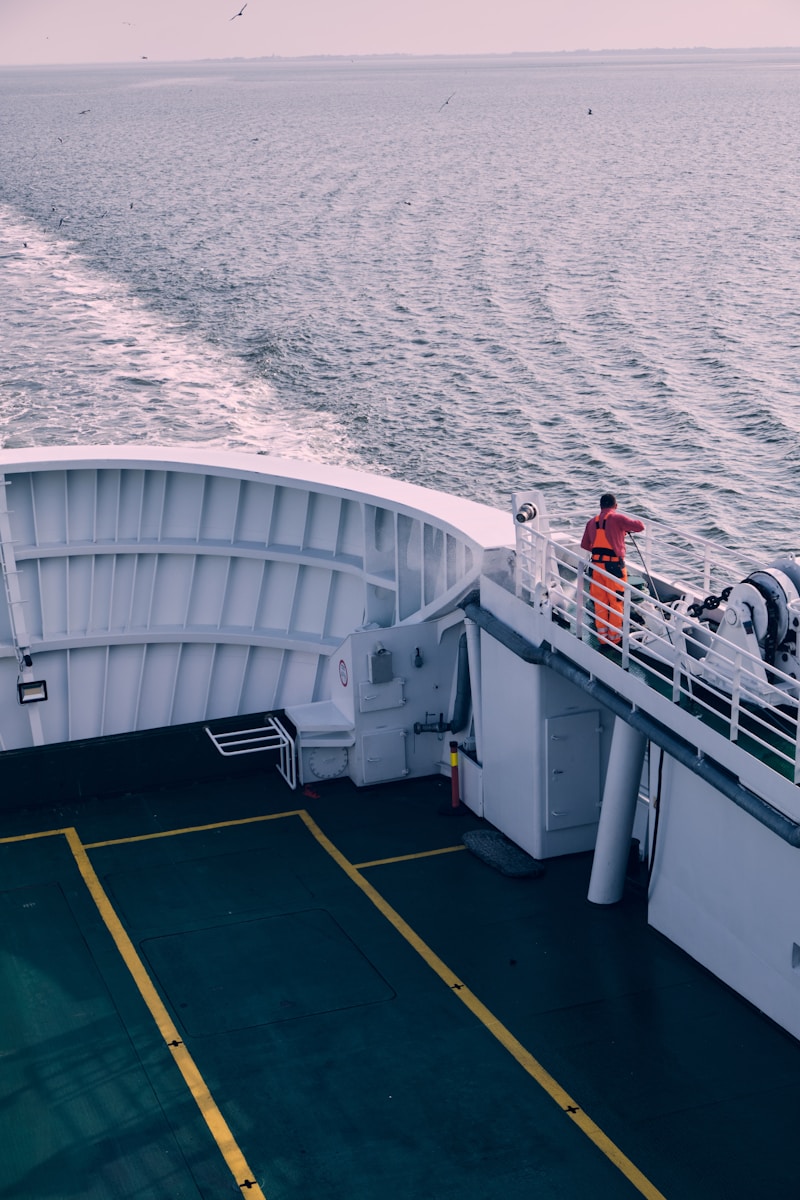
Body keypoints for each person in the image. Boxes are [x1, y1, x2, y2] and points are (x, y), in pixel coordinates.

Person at [580, 493, 644, 646]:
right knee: (616, 602)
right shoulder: (617, 518)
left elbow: (584, 544)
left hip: (597, 567)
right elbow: (640, 526)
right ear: (615, 506)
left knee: (600, 601)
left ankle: (602, 638)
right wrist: (623, 529)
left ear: (601, 506)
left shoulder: (591, 522)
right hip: (614, 567)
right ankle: (615, 639)